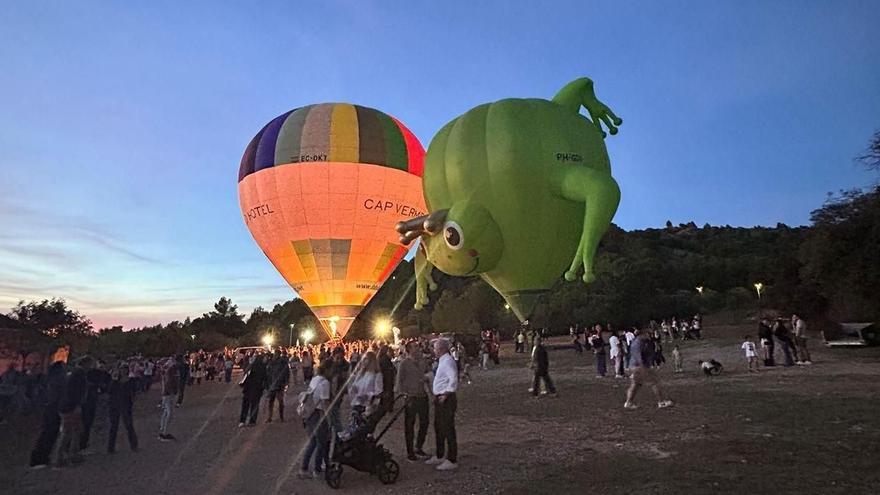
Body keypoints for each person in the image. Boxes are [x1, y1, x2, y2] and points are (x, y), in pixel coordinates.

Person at [426, 338, 459, 471]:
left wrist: (446, 393)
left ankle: (451, 458)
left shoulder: (448, 361)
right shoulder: (443, 361)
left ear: (441, 349)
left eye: (435, 348)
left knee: (447, 427)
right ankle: (440, 454)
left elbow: (453, 378)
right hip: (440, 398)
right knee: (439, 427)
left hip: (446, 399)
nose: (433, 350)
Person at [395, 341, 430, 461]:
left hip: (422, 395)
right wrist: (404, 394)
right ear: (409, 349)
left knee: (424, 422)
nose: (418, 348)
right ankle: (410, 451)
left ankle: (419, 446)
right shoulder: (404, 364)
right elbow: (399, 381)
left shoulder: (423, 362)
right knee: (409, 425)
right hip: (411, 397)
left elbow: (428, 375)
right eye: (415, 347)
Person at [29, 361, 66, 469]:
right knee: (49, 433)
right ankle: (40, 457)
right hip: (53, 409)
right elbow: (55, 396)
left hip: (50, 409)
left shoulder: (50, 380)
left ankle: (41, 457)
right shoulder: (57, 381)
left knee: (48, 433)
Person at [624, 330, 673, 410]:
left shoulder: (643, 342)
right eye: (647, 333)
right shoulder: (637, 344)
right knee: (654, 382)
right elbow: (638, 358)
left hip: (636, 366)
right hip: (638, 366)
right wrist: (644, 369)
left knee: (636, 385)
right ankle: (661, 402)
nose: (649, 335)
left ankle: (628, 402)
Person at [299, 361, 332, 479]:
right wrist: (329, 418)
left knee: (313, 441)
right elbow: (324, 402)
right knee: (321, 442)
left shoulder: (315, 379)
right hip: (319, 413)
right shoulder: (325, 383)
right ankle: (317, 469)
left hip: (310, 413)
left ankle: (304, 468)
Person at [56, 359, 87, 466]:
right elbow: (76, 392)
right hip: (71, 407)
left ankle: (70, 454)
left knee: (73, 430)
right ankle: (62, 457)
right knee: (69, 431)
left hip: (66, 406)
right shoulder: (79, 375)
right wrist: (77, 405)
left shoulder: (71, 375)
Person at [107, 362, 139, 452]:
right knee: (114, 426)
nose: (123, 371)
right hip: (115, 405)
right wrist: (114, 380)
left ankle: (134, 445)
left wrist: (133, 401)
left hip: (126, 405)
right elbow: (109, 391)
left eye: (125, 369)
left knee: (129, 425)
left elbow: (133, 392)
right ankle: (111, 447)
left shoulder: (131, 381)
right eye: (122, 369)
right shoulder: (115, 381)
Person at [238, 355, 267, 427]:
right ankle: (252, 421)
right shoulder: (263, 368)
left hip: (248, 388)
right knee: (254, 405)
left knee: (245, 405)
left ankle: (243, 420)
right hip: (257, 389)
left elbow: (246, 374)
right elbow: (265, 378)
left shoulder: (251, 366)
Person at [327, 347, 349, 432]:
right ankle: (335, 430)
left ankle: (337, 431)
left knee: (335, 412)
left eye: (341, 357)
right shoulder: (329, 364)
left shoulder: (346, 365)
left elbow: (346, 378)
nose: (339, 360)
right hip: (329, 391)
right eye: (337, 358)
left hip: (339, 392)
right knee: (332, 413)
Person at [266, 351, 290, 423]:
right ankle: (270, 417)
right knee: (271, 401)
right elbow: (268, 372)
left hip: (279, 384)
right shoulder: (271, 362)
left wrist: (286, 382)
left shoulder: (282, 362)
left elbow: (286, 372)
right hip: (273, 384)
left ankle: (280, 417)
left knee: (280, 401)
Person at [159, 358, 178, 441]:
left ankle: (163, 429)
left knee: (166, 412)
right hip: (167, 395)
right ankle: (164, 432)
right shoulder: (168, 374)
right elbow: (168, 385)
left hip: (167, 394)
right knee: (169, 413)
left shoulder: (168, 373)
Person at [378, 345, 396, 413]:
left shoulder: (384, 359)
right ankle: (387, 408)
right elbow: (388, 372)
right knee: (387, 395)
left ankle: (386, 407)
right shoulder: (385, 360)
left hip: (385, 380)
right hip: (386, 381)